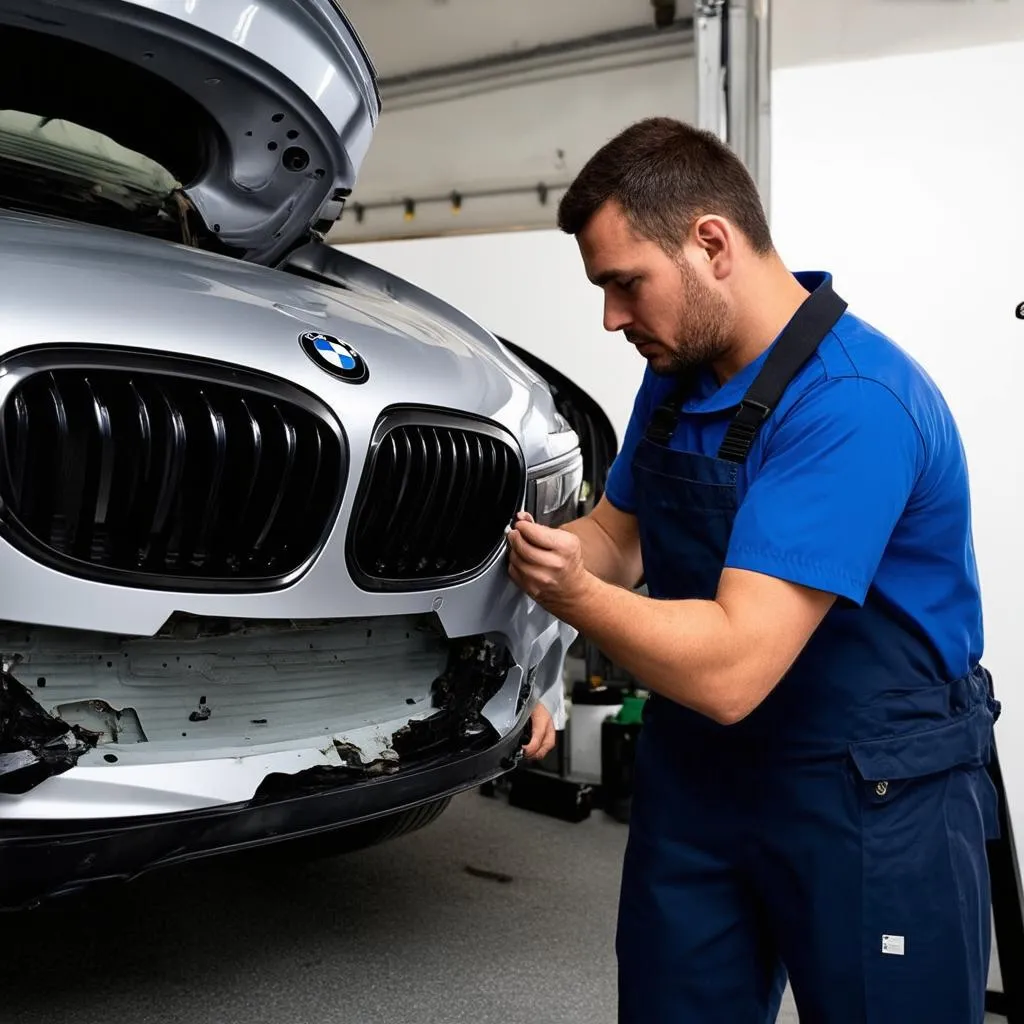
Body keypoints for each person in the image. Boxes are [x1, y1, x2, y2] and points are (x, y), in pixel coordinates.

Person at [509, 117, 1002, 1023]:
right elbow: (620, 539)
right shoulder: (679, 375)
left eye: (625, 284)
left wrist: (571, 595)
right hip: (701, 776)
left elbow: (735, 667)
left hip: (867, 791)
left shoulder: (852, 403)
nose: (611, 318)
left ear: (710, 243)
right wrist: (522, 580)